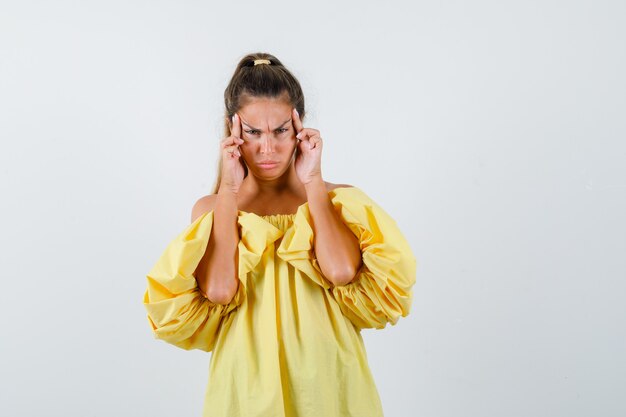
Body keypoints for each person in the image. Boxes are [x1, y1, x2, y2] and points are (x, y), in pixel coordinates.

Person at [142, 52, 418, 417]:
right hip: (248, 388)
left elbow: (340, 272)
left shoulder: (337, 200)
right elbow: (220, 291)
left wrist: (313, 180)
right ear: (233, 131)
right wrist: (228, 189)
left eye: (280, 131)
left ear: (299, 128)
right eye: (253, 133)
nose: (267, 148)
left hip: (328, 382)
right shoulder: (213, 209)